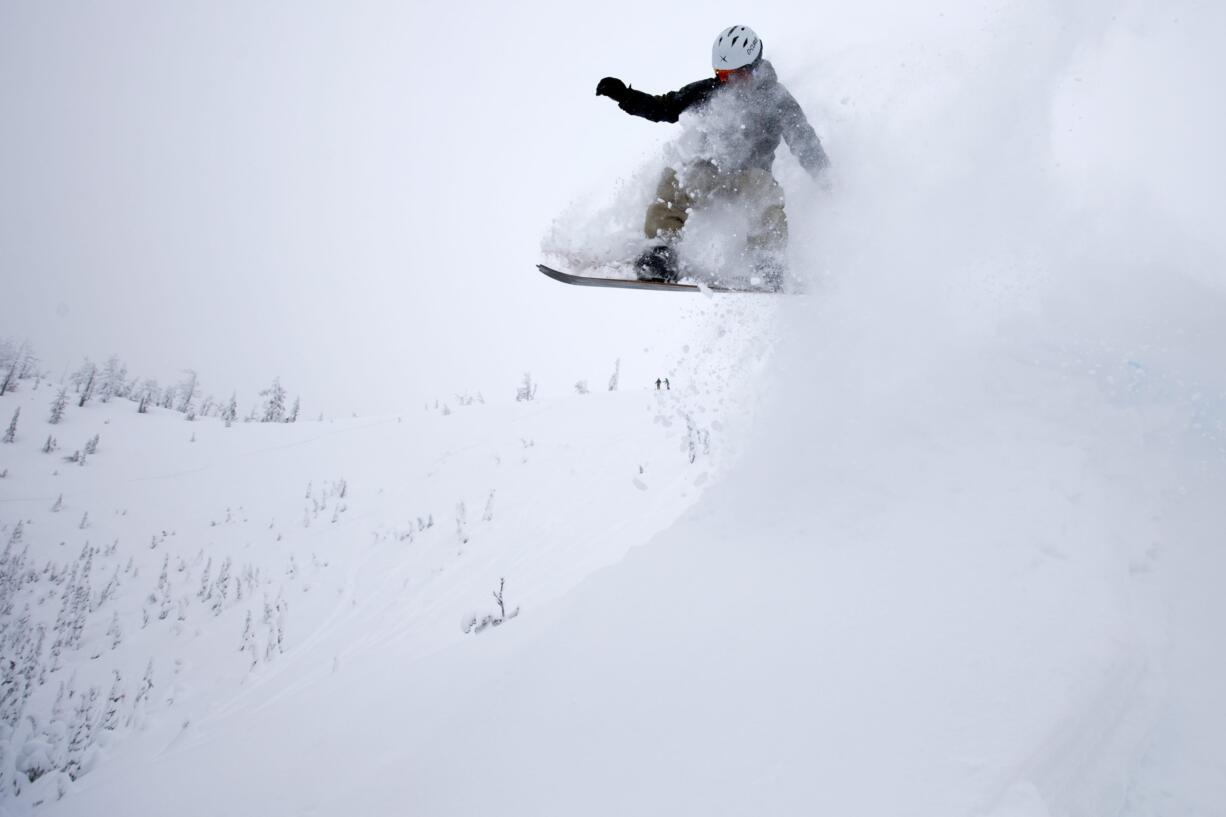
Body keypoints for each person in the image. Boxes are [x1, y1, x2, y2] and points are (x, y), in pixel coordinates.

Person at [596, 25, 829, 288]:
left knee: (767, 195)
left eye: (737, 75)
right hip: (709, 171)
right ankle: (660, 251)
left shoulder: (777, 100)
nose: (729, 82)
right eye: (722, 74)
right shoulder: (708, 91)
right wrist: (625, 96)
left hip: (750, 178)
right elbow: (665, 108)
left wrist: (827, 179)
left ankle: (766, 260)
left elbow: (804, 141)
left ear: (754, 68)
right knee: (677, 175)